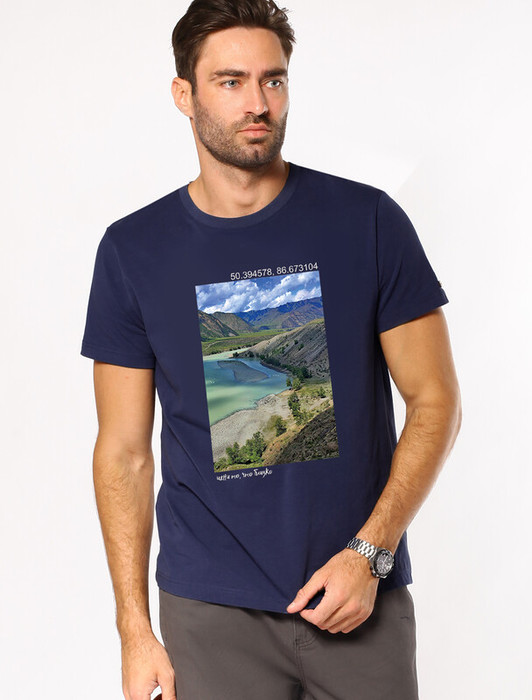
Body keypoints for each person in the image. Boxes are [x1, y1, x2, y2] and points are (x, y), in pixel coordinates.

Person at [80, 1, 462, 698]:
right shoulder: (134, 251)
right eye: (230, 82)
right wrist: (134, 630)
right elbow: (124, 453)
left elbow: (436, 401)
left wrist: (370, 553)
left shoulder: (368, 221)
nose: (257, 103)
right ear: (184, 95)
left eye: (273, 80)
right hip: (209, 614)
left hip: (358, 596)